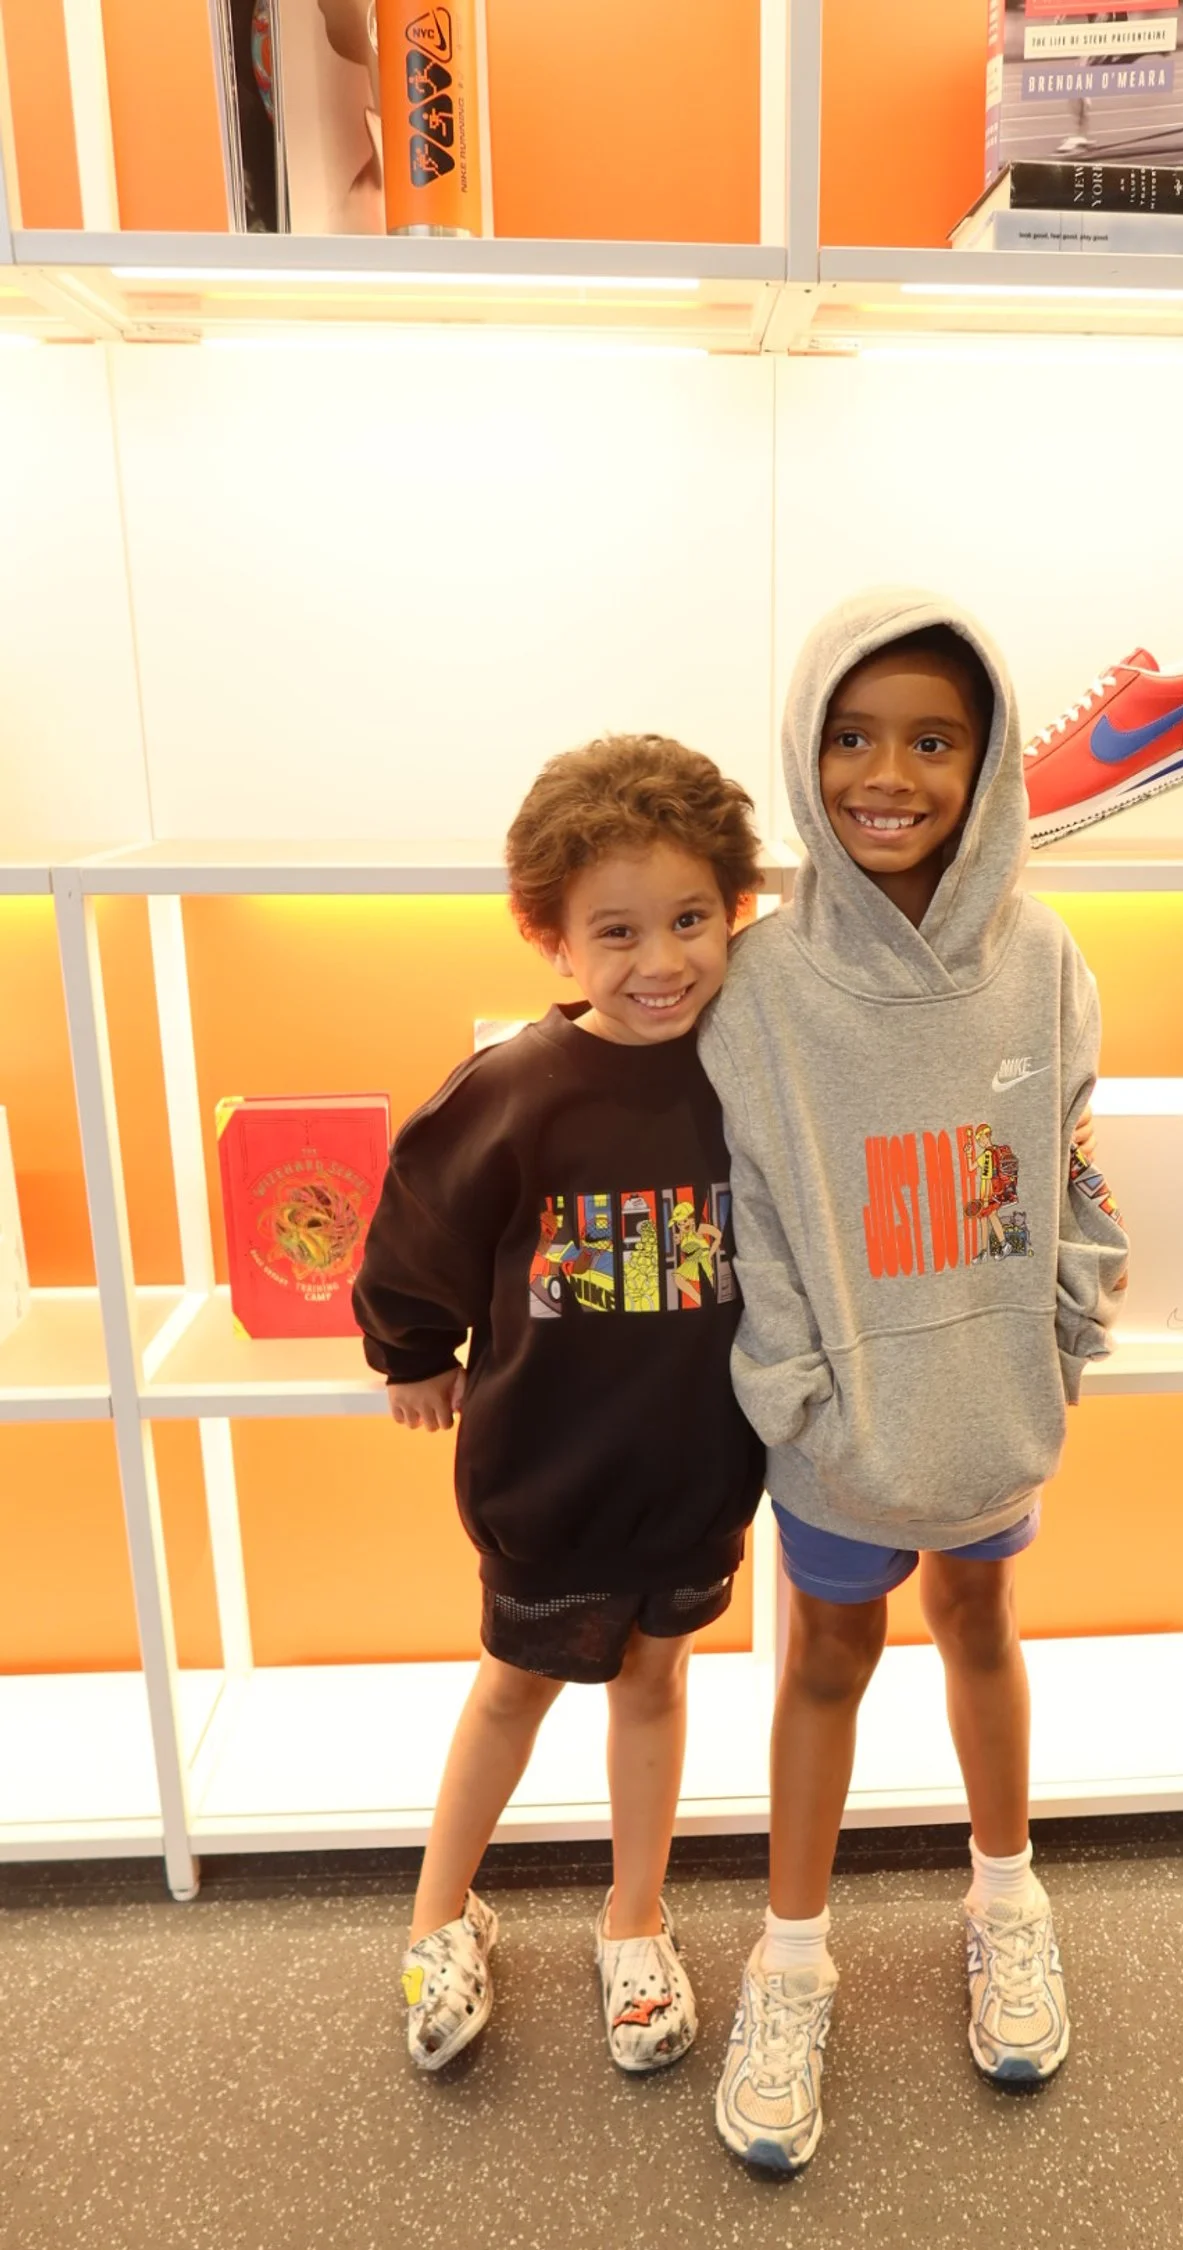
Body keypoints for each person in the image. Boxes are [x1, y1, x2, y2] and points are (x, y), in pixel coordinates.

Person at [697, 591, 1129, 2172]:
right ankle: (791, 1960)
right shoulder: (761, 983)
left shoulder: (1047, 958)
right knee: (826, 1653)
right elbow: (753, 1210)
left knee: (983, 1621)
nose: (890, 773)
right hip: (839, 1430)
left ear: (988, 759)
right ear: (807, 750)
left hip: (993, 1405)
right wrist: (800, 1400)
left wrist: (1063, 1336)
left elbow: (1069, 1164)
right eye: (854, 736)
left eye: (934, 740)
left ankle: (1007, 1898)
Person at [353, 734, 766, 2078]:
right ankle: (441, 1914)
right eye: (618, 931)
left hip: (697, 1476)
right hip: (546, 1479)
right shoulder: (514, 1089)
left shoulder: (752, 1069)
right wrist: (411, 1352)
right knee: (514, 1687)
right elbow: (416, 1225)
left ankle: (634, 1918)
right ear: (553, 937)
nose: (662, 960)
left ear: (737, 908)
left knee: (655, 1679)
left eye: (691, 919)